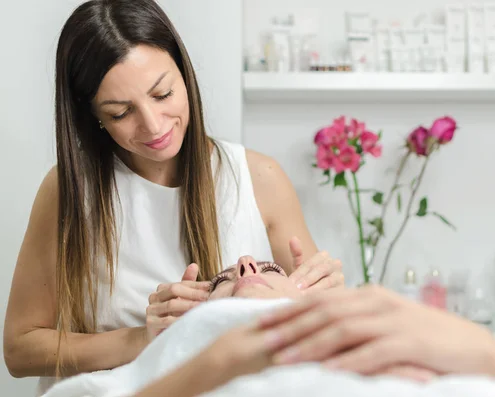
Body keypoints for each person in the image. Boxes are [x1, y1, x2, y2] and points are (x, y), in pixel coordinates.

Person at [3, 0, 343, 394]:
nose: (153, 126)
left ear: (185, 74)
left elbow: (315, 321)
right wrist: (144, 339)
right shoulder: (72, 192)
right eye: (120, 112)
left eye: (162, 94)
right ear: (91, 114)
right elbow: (20, 349)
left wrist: (329, 297)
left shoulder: (258, 178)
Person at [41, 255, 495, 397]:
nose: (245, 265)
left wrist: (492, 358)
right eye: (223, 280)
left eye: (271, 269)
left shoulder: (369, 320)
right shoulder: (158, 367)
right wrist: (215, 363)